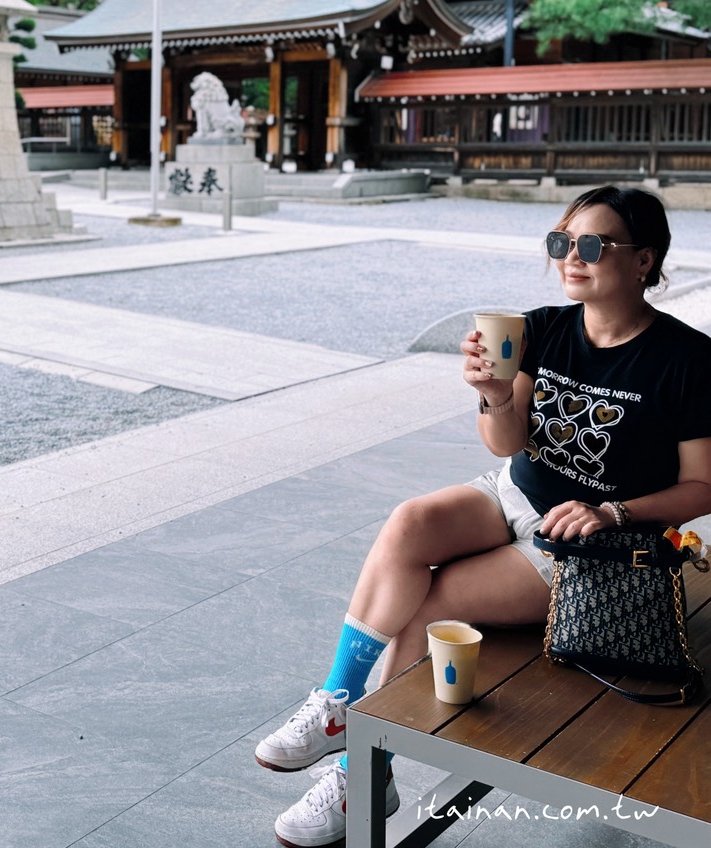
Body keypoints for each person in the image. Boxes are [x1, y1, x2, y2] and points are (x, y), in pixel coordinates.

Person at [258, 184, 711, 848]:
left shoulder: (688, 360)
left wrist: (614, 510)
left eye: (592, 245)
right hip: (514, 492)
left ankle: (365, 772)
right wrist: (496, 397)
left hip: (579, 542)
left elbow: (703, 484)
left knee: (428, 601)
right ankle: (336, 703)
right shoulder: (545, 329)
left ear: (644, 260)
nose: (570, 258)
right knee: (410, 522)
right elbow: (507, 444)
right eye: (562, 243)